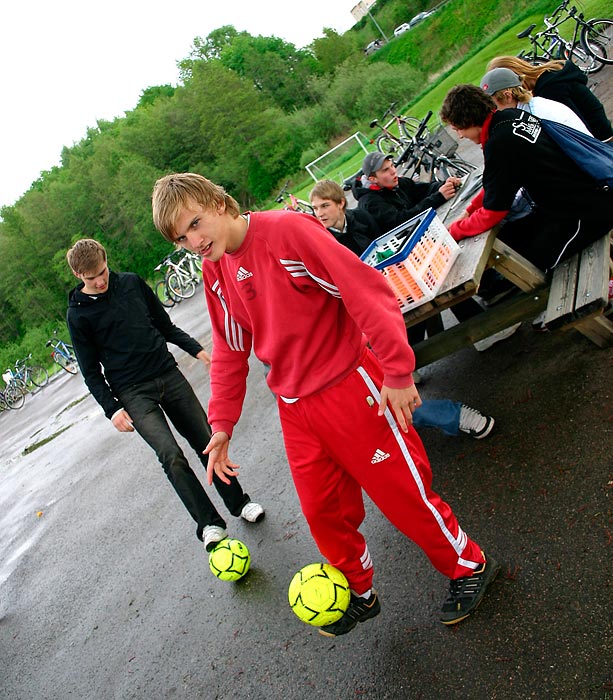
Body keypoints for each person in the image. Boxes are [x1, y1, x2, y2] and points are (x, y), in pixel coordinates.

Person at [151, 172, 500, 637]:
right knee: (323, 511)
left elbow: (365, 290)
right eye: (180, 238)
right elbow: (231, 350)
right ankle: (360, 592)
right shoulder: (215, 271)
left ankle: (469, 565)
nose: (192, 241)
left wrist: (396, 370)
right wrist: (221, 424)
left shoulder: (287, 232)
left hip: (348, 386)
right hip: (295, 407)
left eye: (195, 224)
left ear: (220, 204)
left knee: (402, 492)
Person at [65, 239, 264, 554]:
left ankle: (240, 503)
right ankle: (209, 524)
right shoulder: (78, 316)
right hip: (132, 393)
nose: (100, 281)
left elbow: (164, 325)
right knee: (170, 455)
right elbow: (91, 372)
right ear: (79, 275)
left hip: (167, 374)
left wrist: (197, 350)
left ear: (106, 259)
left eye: (102, 272)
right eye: (92, 279)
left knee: (206, 440)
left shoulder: (130, 284)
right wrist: (112, 409)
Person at [309, 179, 495, 440]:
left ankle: (481, 330)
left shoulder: (361, 216)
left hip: (387, 289)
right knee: (370, 399)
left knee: (431, 284)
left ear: (341, 204)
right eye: (315, 208)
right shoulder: (323, 242)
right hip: (366, 310)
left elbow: (388, 240)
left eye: (324, 206)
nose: (320, 213)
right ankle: (417, 367)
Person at [440, 84, 613, 271]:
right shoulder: (508, 117)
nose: (460, 135)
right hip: (576, 199)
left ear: (469, 120)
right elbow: (497, 181)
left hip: (584, 213)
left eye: (458, 129)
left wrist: (454, 231)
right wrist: (472, 208)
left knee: (531, 263)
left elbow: (493, 213)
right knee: (512, 236)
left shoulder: (499, 143)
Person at [486, 56, 613, 142]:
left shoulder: (549, 89)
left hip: (601, 140)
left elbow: (573, 128)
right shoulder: (551, 74)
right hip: (602, 132)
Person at [353, 151, 462, 233]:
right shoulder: (370, 202)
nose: (393, 171)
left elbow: (423, 190)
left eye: (392, 165)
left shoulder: (397, 182)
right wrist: (439, 197)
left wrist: (445, 184)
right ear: (373, 179)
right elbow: (402, 222)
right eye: (385, 170)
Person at [479, 67, 592, 134]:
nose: (492, 110)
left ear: (508, 96)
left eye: (493, 104)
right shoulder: (531, 106)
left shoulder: (536, 115)